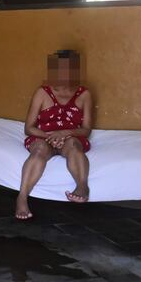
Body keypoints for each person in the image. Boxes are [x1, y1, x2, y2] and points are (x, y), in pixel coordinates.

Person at [17, 50, 93, 220]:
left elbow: (86, 129)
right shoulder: (42, 92)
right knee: (39, 150)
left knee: (74, 145)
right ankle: (22, 197)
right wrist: (50, 137)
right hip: (44, 137)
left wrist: (65, 133)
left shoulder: (84, 94)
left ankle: (82, 186)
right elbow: (29, 128)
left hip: (70, 138)